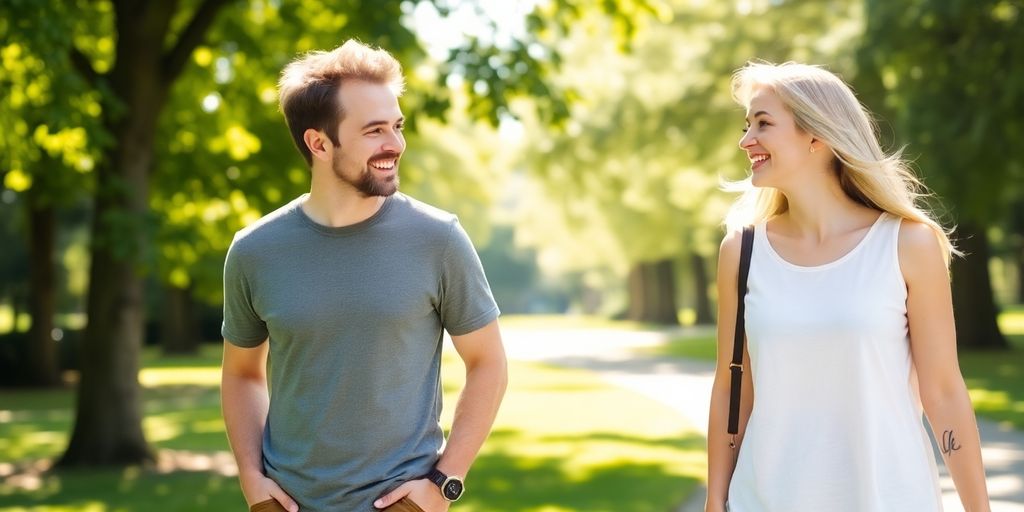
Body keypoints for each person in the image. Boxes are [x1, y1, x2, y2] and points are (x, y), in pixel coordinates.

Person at [220, 40, 508, 512]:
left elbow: (489, 363)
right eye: (374, 130)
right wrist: (253, 481)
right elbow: (242, 374)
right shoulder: (254, 251)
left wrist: (444, 483)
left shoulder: (438, 239)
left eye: (397, 126)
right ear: (318, 142)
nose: (395, 144)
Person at [705, 61, 991, 512]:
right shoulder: (741, 251)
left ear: (816, 136)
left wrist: (979, 509)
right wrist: (715, 500)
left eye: (763, 124)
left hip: (891, 499)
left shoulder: (907, 244)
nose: (746, 141)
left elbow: (944, 392)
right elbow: (731, 388)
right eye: (746, 126)